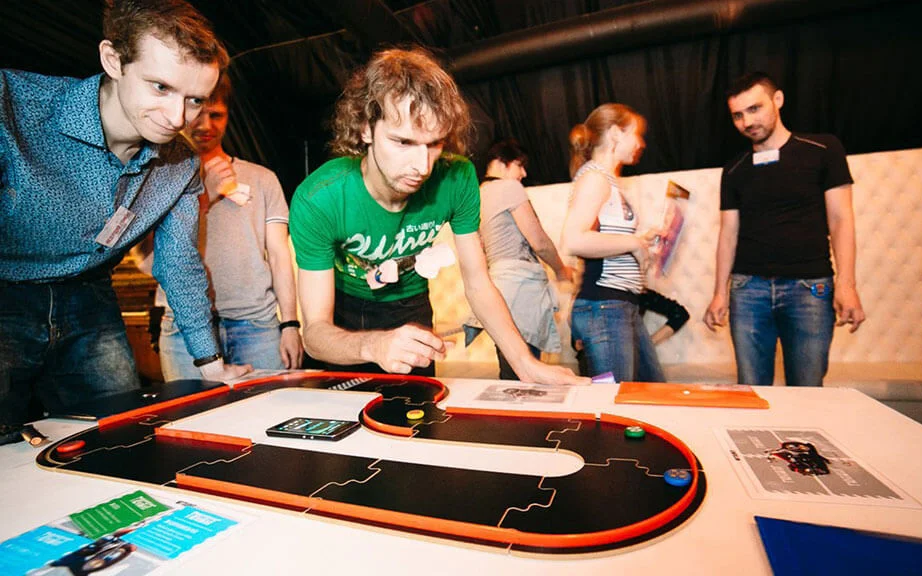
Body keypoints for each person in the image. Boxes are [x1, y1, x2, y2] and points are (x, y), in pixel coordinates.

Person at [0, 0, 250, 445]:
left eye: (195, 100)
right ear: (113, 60)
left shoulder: (181, 164)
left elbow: (179, 264)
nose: (178, 118)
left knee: (119, 438)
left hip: (90, 297)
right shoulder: (13, 106)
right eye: (160, 87)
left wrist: (211, 363)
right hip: (6, 293)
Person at [289, 48, 587, 385]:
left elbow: (478, 282)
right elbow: (315, 332)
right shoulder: (320, 198)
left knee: (415, 409)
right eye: (403, 142)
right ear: (365, 128)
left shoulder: (457, 177)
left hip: (410, 303)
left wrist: (525, 363)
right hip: (344, 306)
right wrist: (373, 345)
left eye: (434, 144)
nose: (422, 166)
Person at [133, 74, 303, 380]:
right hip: (184, 328)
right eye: (198, 114)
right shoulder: (158, 177)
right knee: (191, 410)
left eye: (217, 115)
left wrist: (290, 324)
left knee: (267, 408)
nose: (206, 125)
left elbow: (280, 258)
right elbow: (147, 263)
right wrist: (205, 197)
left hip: (257, 325)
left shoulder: (262, 178)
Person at [702, 72, 865, 387]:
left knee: (807, 392)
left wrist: (847, 284)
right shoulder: (733, 169)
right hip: (748, 290)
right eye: (738, 115)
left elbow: (841, 220)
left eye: (755, 109)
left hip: (809, 287)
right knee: (751, 392)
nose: (747, 122)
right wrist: (720, 293)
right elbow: (728, 234)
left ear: (777, 100)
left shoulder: (823, 149)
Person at [561, 103, 666, 383]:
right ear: (616, 133)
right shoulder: (595, 178)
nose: (641, 143)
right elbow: (573, 239)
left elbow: (605, 239)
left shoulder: (607, 180)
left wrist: (642, 240)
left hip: (620, 304)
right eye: (636, 134)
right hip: (604, 305)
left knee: (651, 394)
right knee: (615, 400)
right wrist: (633, 242)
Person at [477, 139, 571, 380]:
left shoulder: (477, 196)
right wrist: (561, 270)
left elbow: (479, 250)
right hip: (520, 288)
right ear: (501, 162)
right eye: (519, 165)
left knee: (511, 368)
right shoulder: (508, 188)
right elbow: (538, 241)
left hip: (497, 287)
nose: (524, 174)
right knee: (527, 374)